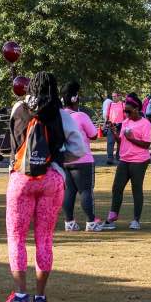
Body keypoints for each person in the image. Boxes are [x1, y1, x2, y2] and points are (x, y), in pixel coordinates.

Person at [0, 71, 87, 302]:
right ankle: (40, 297)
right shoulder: (62, 115)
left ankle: (20, 294)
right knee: (44, 238)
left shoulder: (18, 107)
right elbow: (79, 148)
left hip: (21, 178)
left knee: (16, 237)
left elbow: (11, 141)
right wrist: (56, 159)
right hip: (52, 178)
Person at [105, 94, 151, 230]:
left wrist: (131, 138)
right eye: (125, 111)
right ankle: (112, 217)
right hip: (124, 159)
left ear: (137, 109)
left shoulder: (145, 124)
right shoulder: (126, 122)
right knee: (116, 188)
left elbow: (146, 144)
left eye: (129, 111)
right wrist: (115, 132)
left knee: (136, 189)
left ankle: (136, 220)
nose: (126, 113)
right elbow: (121, 141)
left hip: (139, 161)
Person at [61, 82, 103, 232]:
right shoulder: (81, 116)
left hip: (65, 160)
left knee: (69, 191)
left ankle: (69, 222)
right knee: (86, 191)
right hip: (83, 160)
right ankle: (91, 222)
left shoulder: (60, 116)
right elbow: (93, 135)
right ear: (75, 99)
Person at [104, 91, 124, 165]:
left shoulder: (123, 104)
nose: (113, 98)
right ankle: (110, 158)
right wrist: (105, 123)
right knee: (110, 142)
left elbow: (126, 116)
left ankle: (118, 156)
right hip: (111, 125)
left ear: (119, 96)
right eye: (112, 96)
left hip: (120, 126)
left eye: (115, 96)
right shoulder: (110, 104)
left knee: (120, 142)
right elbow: (107, 115)